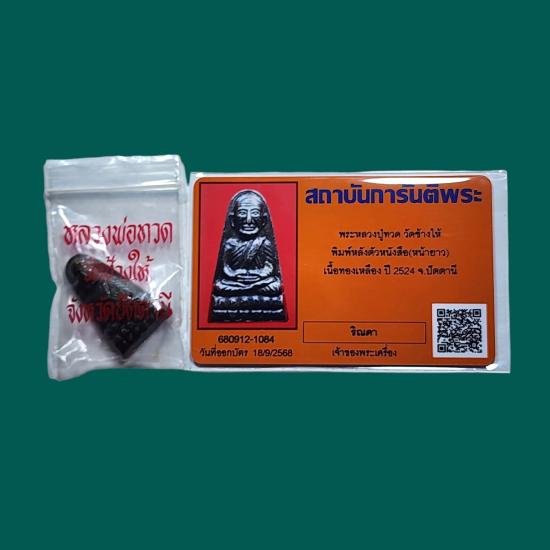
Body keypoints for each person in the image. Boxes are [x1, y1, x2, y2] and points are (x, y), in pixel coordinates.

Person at [209, 190, 287, 322]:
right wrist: (236, 275)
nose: (249, 220)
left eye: (255, 213)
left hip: (259, 281)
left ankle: (247, 293)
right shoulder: (230, 243)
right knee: (219, 285)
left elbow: (269, 267)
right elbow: (226, 268)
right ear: (232, 220)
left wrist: (258, 276)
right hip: (236, 281)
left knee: (275, 285)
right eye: (242, 213)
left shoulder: (265, 243)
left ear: (264, 220)